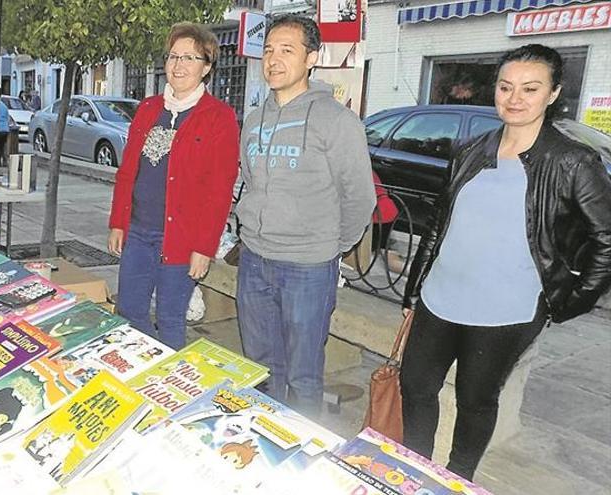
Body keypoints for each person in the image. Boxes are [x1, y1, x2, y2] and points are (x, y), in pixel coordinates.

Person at [400, 44, 611, 481]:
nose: (514, 98)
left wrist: (569, 301)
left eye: (530, 88)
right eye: (505, 87)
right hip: (440, 298)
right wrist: (413, 290)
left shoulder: (572, 161)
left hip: (506, 311)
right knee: (416, 386)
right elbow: (439, 226)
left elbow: (605, 239)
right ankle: (413, 472)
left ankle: (457, 479)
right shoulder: (471, 150)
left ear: (553, 94)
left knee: (476, 399)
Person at [235, 14, 375, 420]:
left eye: (287, 50)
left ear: (312, 57)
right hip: (255, 260)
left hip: (307, 269)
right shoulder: (254, 120)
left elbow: (359, 198)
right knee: (259, 367)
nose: (274, 60)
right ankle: (264, 435)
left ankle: (300, 454)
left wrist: (330, 249)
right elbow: (247, 180)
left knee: (303, 375)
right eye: (268, 50)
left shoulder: (337, 121)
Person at [108, 22, 239, 350]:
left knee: (170, 321)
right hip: (138, 232)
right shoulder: (149, 109)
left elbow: (220, 191)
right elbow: (127, 172)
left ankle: (173, 391)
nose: (179, 65)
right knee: (129, 311)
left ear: (206, 67)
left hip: (181, 239)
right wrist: (117, 222)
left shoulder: (218, 117)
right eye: (173, 56)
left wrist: (204, 248)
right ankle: (145, 375)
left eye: (190, 58)